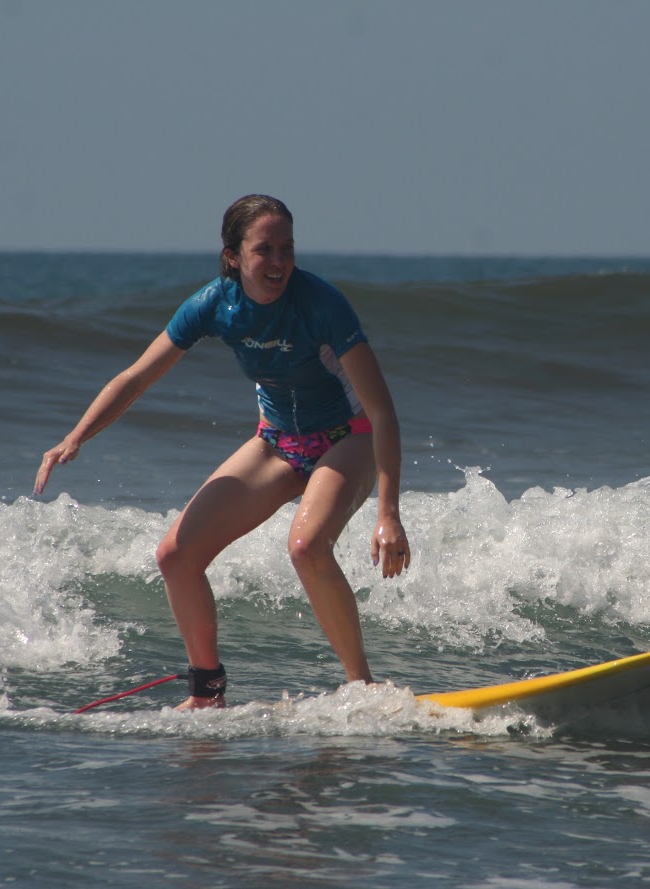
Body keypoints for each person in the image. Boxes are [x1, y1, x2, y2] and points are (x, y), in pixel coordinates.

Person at [33, 194, 410, 709]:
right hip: (278, 442)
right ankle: (207, 692)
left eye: (287, 248)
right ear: (233, 255)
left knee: (305, 547)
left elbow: (383, 411)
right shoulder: (214, 304)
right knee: (175, 555)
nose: (278, 262)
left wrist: (387, 513)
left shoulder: (322, 305)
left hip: (350, 439)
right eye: (264, 250)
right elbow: (137, 376)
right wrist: (75, 436)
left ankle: (362, 689)